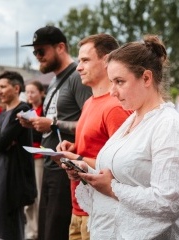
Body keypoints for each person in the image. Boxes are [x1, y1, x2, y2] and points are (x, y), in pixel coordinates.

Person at [64, 35, 179, 239]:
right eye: (111, 82)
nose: (112, 92)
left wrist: (112, 188)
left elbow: (169, 202)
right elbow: (127, 173)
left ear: (146, 78)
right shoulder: (134, 119)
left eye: (119, 82)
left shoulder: (170, 126)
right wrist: (88, 173)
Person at [55, 33, 132, 240]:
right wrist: (73, 149)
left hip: (100, 212)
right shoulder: (89, 102)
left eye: (85, 60)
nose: (78, 67)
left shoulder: (115, 107)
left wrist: (76, 160)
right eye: (79, 61)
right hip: (79, 208)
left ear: (106, 60)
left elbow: (122, 168)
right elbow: (93, 149)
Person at [20, 26, 92, 240]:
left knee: (56, 233)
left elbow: (90, 124)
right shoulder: (54, 80)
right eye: (35, 53)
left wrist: (53, 124)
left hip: (67, 168)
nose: (37, 57)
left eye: (41, 51)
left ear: (60, 47)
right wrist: (34, 123)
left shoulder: (77, 77)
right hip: (52, 167)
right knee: (46, 232)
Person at [0, 71, 37, 240]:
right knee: (1, 225)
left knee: (11, 226)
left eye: (3, 87)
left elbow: (1, 142)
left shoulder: (23, 110)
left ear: (16, 88)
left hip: (12, 178)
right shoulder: (2, 113)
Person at [24, 80, 45, 240]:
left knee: (37, 194)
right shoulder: (27, 110)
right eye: (27, 92)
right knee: (28, 198)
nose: (29, 95)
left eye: (33, 92)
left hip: (39, 158)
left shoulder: (44, 110)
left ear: (41, 93)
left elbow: (44, 134)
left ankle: (37, 232)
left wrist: (31, 126)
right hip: (27, 157)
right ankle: (32, 232)